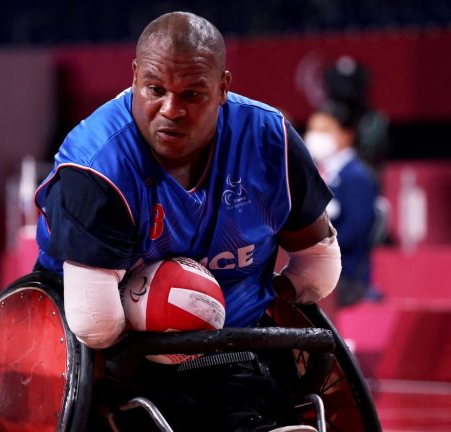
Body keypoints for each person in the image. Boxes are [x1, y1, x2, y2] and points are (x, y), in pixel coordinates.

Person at [34, 11, 340, 432]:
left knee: (247, 400)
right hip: (112, 354)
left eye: (192, 95)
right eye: (155, 90)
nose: (171, 110)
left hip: (232, 347)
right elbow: (96, 324)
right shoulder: (96, 164)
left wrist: (264, 297)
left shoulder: (271, 140)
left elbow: (318, 268)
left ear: (223, 88)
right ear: (135, 76)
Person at [304, 101, 381, 310]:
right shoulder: (314, 175)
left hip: (346, 278)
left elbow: (356, 232)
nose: (314, 136)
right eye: (312, 129)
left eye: (324, 130)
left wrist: (312, 246)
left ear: (347, 135)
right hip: (314, 271)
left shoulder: (358, 177)